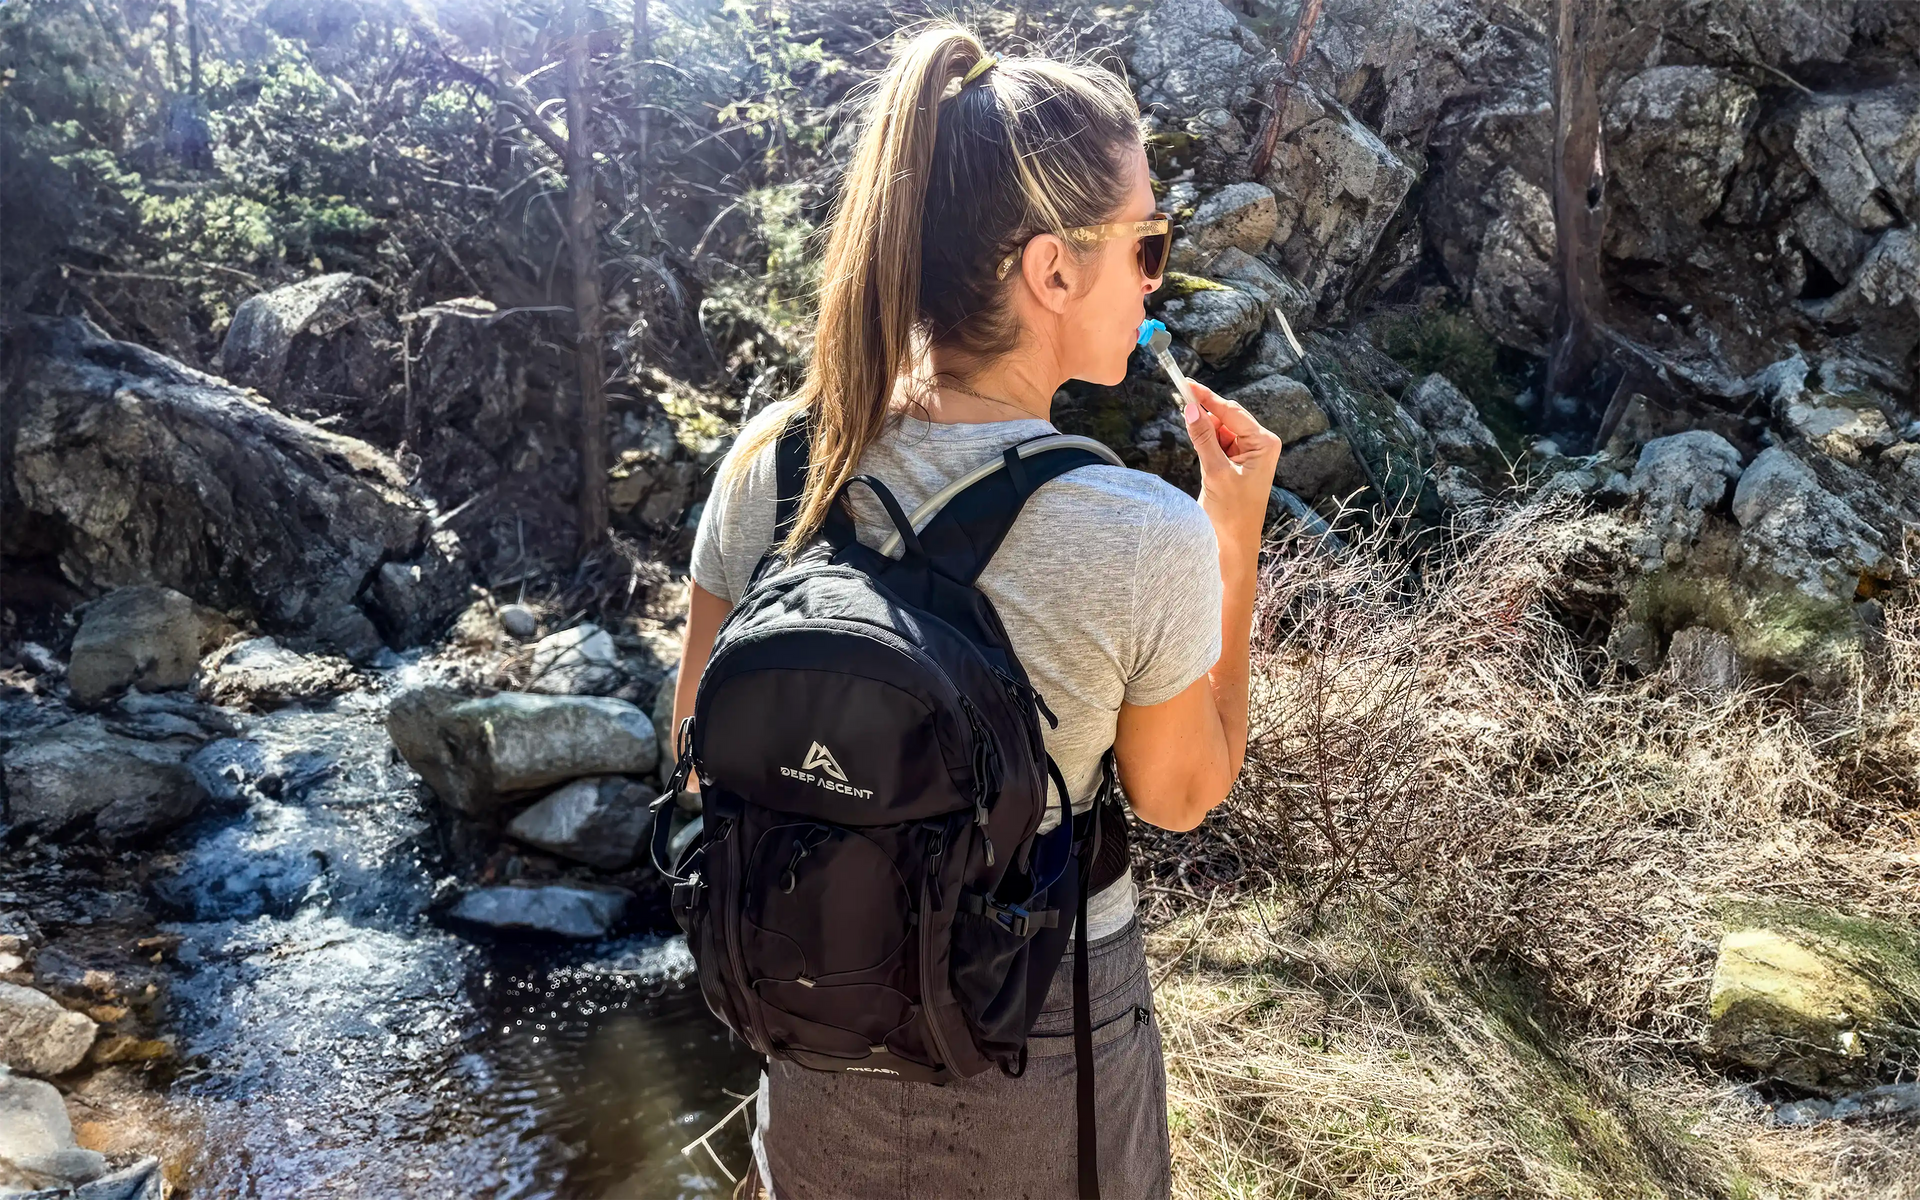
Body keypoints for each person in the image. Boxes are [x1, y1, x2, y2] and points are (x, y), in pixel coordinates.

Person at [671, 22, 1281, 1200]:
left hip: (809, 1008)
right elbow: (1185, 794)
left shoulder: (775, 459)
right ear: (1053, 270)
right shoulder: (1137, 529)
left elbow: (701, 759)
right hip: (1036, 1029)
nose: (1158, 274)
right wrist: (1232, 542)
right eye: (1148, 244)